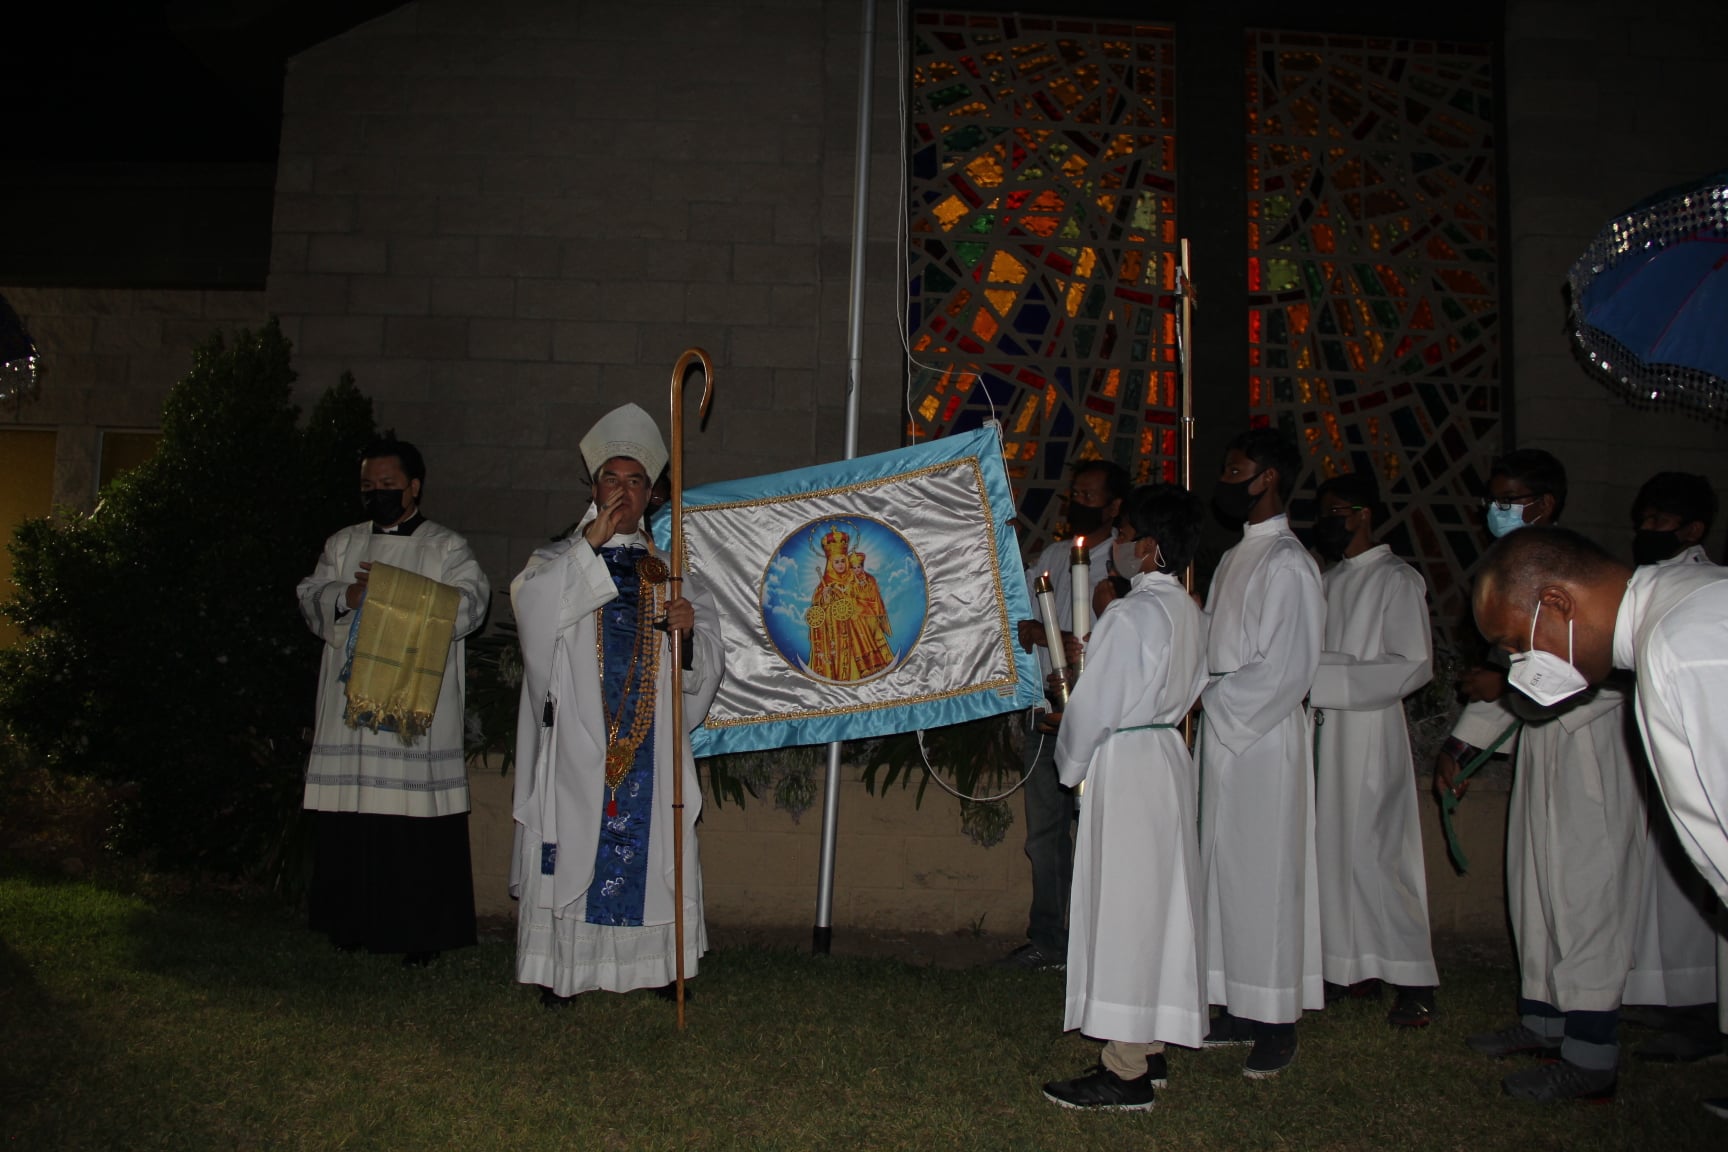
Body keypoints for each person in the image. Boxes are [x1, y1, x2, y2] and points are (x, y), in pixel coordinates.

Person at [1470, 524, 1728, 1120]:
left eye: (1514, 643)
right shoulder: (1680, 609)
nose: (1514, 664)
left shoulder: (1685, 643)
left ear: (1556, 603)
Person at [1437, 449, 1645, 1102]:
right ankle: (1544, 1020)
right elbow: (1508, 686)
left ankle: (1591, 1055)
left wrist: (1503, 683)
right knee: (1535, 889)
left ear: (1545, 505)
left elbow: (1603, 672)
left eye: (1509, 498)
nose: (1493, 511)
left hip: (1589, 755)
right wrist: (1462, 746)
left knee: (1585, 895)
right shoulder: (1511, 580)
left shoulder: (1580, 580)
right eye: (1490, 498)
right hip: (1540, 752)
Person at [509, 403, 725, 1003]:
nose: (623, 491)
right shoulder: (554, 562)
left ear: (653, 494)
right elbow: (534, 620)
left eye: (636, 481)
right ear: (594, 485)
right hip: (578, 741)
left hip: (649, 750)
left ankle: (654, 968)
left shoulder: (674, 574)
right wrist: (590, 546)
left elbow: (706, 662)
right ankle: (565, 971)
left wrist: (686, 637)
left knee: (653, 847)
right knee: (575, 841)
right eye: (612, 478)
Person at [1040, 485, 1209, 1111]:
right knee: (1157, 902)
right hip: (1164, 754)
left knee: (1127, 907)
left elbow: (1095, 709)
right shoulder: (1189, 610)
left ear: (1151, 546)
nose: (1114, 545)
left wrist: (1070, 757)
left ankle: (1127, 1070)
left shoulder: (1132, 615)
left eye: (1125, 532)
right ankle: (1151, 1039)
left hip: (1131, 760)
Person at [296, 434, 490, 965]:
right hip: (350, 714)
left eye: (387, 484)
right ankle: (349, 923)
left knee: (411, 828)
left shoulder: (446, 547)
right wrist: (349, 596)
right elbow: (311, 594)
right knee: (355, 821)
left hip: (413, 711)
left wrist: (398, 591)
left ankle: (419, 935)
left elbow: (472, 604)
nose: (376, 493)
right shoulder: (343, 544)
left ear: (414, 486)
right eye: (368, 486)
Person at [1197, 428, 1324, 1078]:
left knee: (1265, 875)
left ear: (1269, 477)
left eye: (1237, 468)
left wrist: (1215, 700)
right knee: (1224, 870)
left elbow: (1289, 667)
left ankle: (1277, 1019)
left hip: (1264, 736)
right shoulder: (1235, 558)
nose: (1227, 479)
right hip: (1226, 732)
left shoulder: (1290, 565)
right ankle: (1236, 1002)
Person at [1308, 471, 1438, 1027]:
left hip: (1369, 729)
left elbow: (1412, 663)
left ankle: (1414, 978)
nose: (1327, 522)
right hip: (1323, 730)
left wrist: (1325, 678)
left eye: (1337, 511)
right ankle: (1346, 966)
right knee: (1332, 851)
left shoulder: (1396, 579)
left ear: (1362, 513)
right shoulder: (1327, 578)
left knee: (1378, 851)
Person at [996, 460, 1127, 971]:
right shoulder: (1052, 554)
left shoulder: (1121, 563)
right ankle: (1048, 938)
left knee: (1100, 830)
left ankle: (1102, 941)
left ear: (1114, 507)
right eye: (1075, 492)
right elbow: (1019, 615)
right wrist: (1031, 631)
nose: (1079, 502)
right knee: (1044, 835)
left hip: (1101, 720)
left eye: (1091, 495)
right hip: (1049, 717)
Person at [1622, 472, 1724, 1063]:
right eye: (1643, 521)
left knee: (1701, 888)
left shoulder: (1701, 588)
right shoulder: (1651, 580)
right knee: (1664, 886)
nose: (1644, 532)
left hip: (1701, 748)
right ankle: (1670, 994)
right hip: (1664, 747)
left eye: (1658, 524)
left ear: (1692, 530)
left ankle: (1702, 1013)